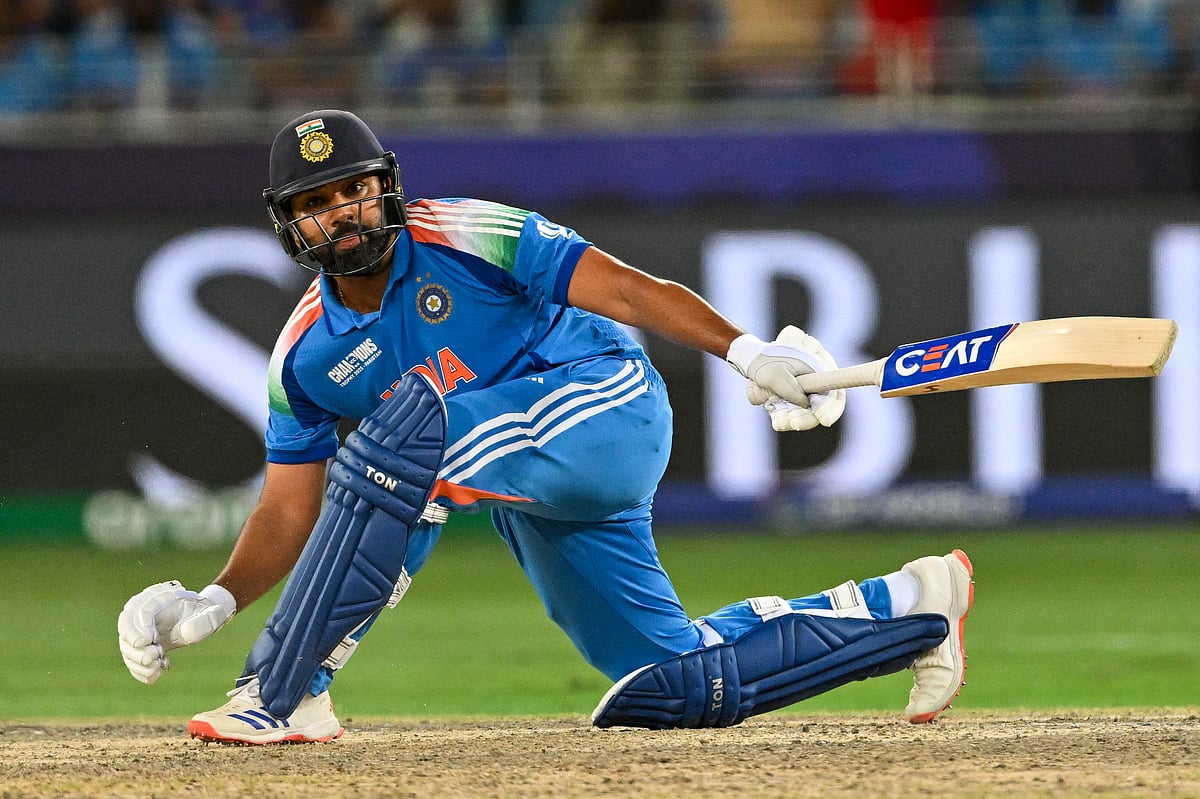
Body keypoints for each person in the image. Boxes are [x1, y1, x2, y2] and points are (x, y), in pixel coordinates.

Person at [117, 109, 974, 744]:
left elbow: (630, 290)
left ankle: (284, 688)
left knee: (405, 436)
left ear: (386, 187)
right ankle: (915, 605)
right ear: (290, 222)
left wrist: (746, 352)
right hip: (520, 477)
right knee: (671, 681)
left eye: (357, 190)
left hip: (601, 404)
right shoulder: (303, 355)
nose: (346, 212)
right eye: (319, 201)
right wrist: (219, 594)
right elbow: (286, 510)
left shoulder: (461, 231)